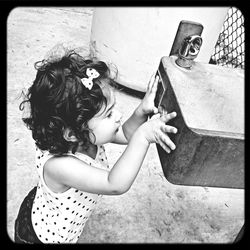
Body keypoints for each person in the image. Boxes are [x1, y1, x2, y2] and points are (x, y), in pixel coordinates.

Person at [14, 44, 177, 244]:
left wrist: (141, 111)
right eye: (108, 114)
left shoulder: (86, 135)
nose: (118, 116)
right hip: (42, 237)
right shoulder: (59, 166)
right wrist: (143, 137)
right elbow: (115, 184)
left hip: (55, 214)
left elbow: (126, 133)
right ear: (72, 133)